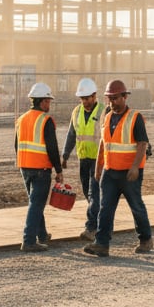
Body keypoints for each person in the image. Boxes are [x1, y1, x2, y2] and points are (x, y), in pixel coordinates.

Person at [82, 79, 154, 257]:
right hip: (110, 171)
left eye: (115, 98)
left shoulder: (135, 117)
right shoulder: (107, 117)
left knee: (136, 206)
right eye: (109, 98)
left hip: (129, 172)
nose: (112, 102)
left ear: (124, 97)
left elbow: (142, 143)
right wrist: (99, 167)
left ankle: (145, 239)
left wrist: (135, 167)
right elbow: (103, 143)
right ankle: (101, 243)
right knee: (105, 208)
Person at [14, 82, 64, 252]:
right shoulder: (46, 120)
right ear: (42, 101)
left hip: (24, 166)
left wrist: (23, 161)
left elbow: (16, 145)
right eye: (48, 101)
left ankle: (42, 235)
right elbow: (52, 147)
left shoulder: (21, 119)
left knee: (35, 203)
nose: (49, 104)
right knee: (37, 204)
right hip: (41, 169)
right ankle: (28, 240)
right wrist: (59, 170)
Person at [61, 77, 103, 242]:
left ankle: (91, 227)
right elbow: (72, 134)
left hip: (99, 159)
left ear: (94, 96)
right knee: (87, 191)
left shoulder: (103, 111)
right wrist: (65, 155)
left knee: (94, 192)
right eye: (82, 98)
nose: (84, 101)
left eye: (87, 98)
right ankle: (100, 221)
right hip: (83, 158)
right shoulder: (76, 112)